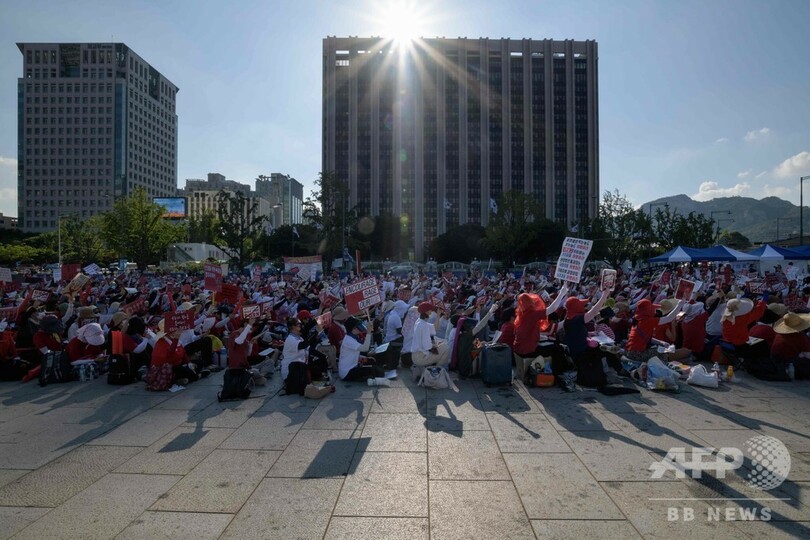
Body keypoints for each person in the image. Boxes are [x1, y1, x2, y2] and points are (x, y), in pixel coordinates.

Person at [338, 316, 385, 381]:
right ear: (353, 328)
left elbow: (352, 354)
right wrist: (369, 333)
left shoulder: (353, 337)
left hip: (354, 365)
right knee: (374, 370)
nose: (360, 327)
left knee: (372, 360)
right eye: (358, 326)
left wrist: (364, 358)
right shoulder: (349, 340)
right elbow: (365, 348)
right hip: (347, 372)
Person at [412, 302, 450, 367]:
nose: (432, 311)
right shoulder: (423, 325)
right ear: (426, 311)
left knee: (442, 344)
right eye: (430, 309)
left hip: (416, 355)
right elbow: (428, 347)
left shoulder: (419, 321)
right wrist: (436, 345)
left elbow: (434, 329)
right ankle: (437, 370)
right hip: (421, 357)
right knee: (446, 348)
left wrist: (438, 316)